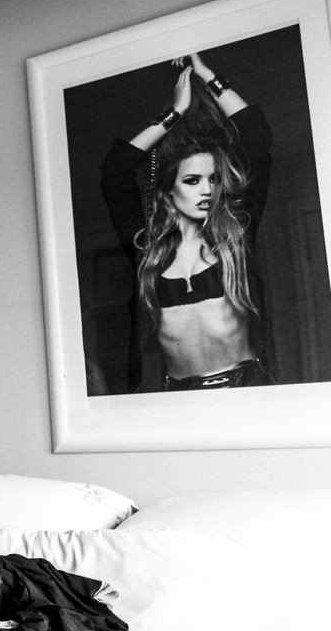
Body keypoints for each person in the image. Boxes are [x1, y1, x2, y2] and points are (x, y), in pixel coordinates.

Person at [99, 52, 274, 391]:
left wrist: (209, 76)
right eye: (192, 181)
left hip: (245, 390)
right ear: (167, 193)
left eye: (213, 179)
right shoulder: (145, 248)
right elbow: (115, 173)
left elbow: (256, 138)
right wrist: (173, 113)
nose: (207, 190)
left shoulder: (236, 236)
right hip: (178, 399)